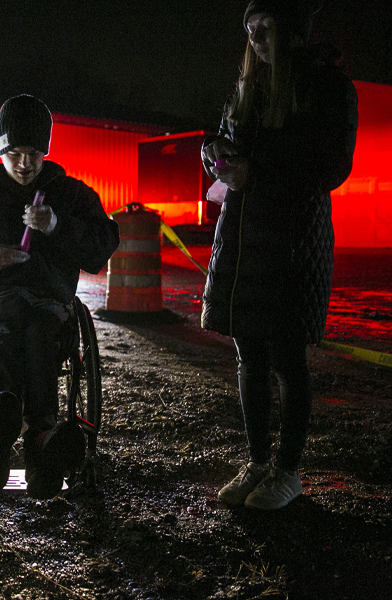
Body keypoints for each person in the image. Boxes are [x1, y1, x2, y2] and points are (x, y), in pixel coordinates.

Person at [201, 0, 358, 510]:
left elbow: (330, 167)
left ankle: (288, 472)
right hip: (245, 239)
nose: (257, 40)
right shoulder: (249, 88)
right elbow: (224, 136)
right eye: (250, 30)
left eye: (266, 28)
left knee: (288, 357)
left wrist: (255, 172)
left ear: (292, 33)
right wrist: (215, 154)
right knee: (249, 355)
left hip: (293, 242)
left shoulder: (327, 88)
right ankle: (258, 462)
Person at [0, 95, 119, 498]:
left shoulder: (69, 196)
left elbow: (102, 244)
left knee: (39, 334)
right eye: (15, 152)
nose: (25, 163)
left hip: (48, 304)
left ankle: (41, 440)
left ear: (45, 151)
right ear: (0, 150)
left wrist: (58, 226)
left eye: (33, 153)